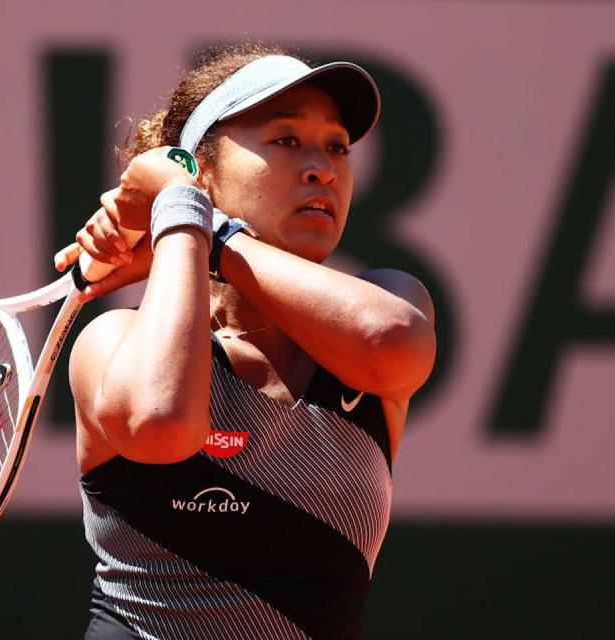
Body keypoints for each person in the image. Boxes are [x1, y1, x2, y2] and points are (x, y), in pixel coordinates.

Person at [53, 43, 436, 640]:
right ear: (201, 171)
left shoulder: (390, 298)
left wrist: (197, 222)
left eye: (337, 146)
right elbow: (161, 422)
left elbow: (391, 341)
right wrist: (185, 215)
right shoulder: (112, 340)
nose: (323, 168)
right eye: (286, 140)